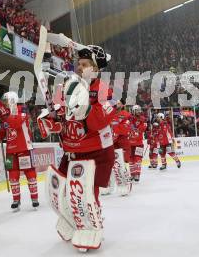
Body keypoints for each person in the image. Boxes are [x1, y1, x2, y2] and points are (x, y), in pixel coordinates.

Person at [38, 45, 117, 252]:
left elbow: (101, 120)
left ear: (96, 69)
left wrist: (87, 109)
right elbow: (58, 115)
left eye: (85, 65)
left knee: (87, 193)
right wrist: (52, 121)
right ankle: (74, 220)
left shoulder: (104, 89)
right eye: (78, 64)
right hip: (71, 151)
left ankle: (91, 224)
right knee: (61, 192)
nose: (80, 68)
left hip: (96, 152)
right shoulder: (65, 86)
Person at [0, 91, 38, 211]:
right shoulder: (6, 115)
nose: (4, 104)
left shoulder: (22, 109)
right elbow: (1, 134)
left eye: (5, 101)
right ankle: (16, 199)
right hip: (10, 150)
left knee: (30, 174)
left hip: (24, 147)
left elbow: (16, 123)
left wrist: (4, 119)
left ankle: (34, 198)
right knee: (13, 176)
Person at [128, 105, 147, 182]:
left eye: (139, 110)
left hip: (138, 143)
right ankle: (132, 174)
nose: (139, 111)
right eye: (137, 110)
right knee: (130, 159)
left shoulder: (143, 119)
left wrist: (136, 130)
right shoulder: (130, 118)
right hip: (130, 143)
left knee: (138, 158)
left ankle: (137, 174)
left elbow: (143, 128)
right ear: (133, 111)